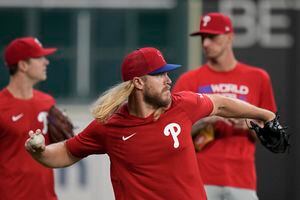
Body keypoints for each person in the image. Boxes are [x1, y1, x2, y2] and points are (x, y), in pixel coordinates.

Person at [25, 47, 277, 200]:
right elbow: (66, 152)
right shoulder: (111, 126)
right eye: (159, 74)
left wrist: (265, 115)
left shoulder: (182, 105)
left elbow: (221, 103)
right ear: (138, 83)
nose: (168, 80)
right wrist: (39, 151)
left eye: (167, 73)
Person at [173, 13, 276, 200]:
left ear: (229, 37)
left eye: (212, 37)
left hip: (242, 179)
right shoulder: (189, 80)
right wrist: (206, 120)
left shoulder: (258, 78)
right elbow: (172, 132)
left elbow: (270, 133)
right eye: (203, 38)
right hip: (199, 178)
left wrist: (248, 124)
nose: (205, 44)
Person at [0, 37, 58, 200]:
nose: (46, 62)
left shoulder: (47, 102)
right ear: (23, 65)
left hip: (46, 196)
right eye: (39, 58)